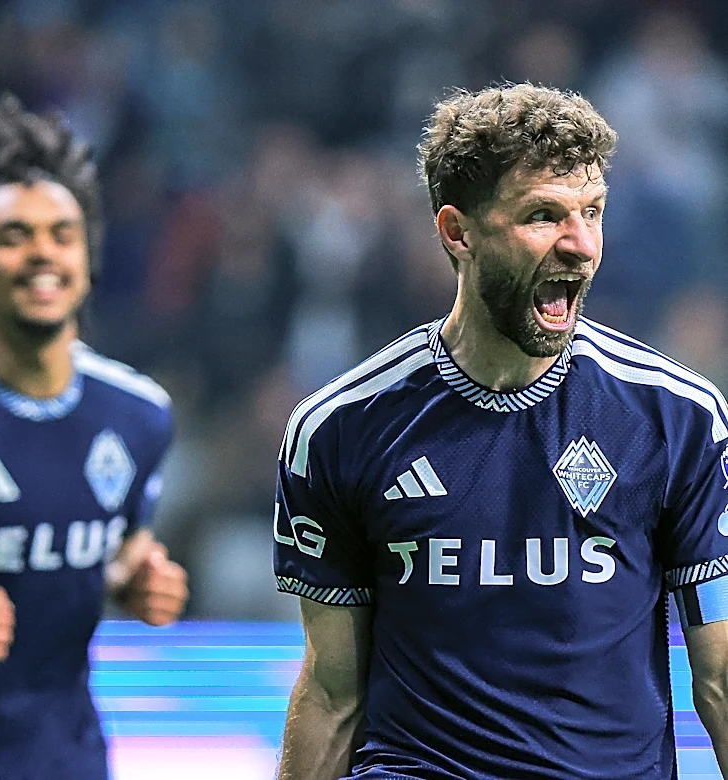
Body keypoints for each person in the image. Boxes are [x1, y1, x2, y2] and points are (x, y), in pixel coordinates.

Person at [273, 82, 728, 780]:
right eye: (544, 216)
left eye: (593, 213)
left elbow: (721, 676)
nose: (580, 245)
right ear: (458, 233)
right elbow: (333, 693)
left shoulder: (679, 418)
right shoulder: (339, 429)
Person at [0, 95, 189, 780]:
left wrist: (138, 581)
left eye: (61, 233)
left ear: (87, 261)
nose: (41, 254)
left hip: (69, 760)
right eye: (12, 235)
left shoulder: (141, 415)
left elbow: (121, 548)